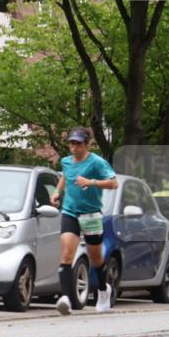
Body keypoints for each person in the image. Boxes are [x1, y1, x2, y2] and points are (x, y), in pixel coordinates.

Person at [50, 127, 118, 314]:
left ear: (87, 144)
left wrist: (91, 182)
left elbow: (114, 183)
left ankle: (103, 290)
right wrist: (57, 192)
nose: (74, 147)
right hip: (70, 212)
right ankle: (66, 299)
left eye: (78, 143)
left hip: (91, 214)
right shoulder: (66, 161)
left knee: (95, 257)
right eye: (72, 143)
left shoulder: (97, 162)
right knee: (66, 254)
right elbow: (65, 176)